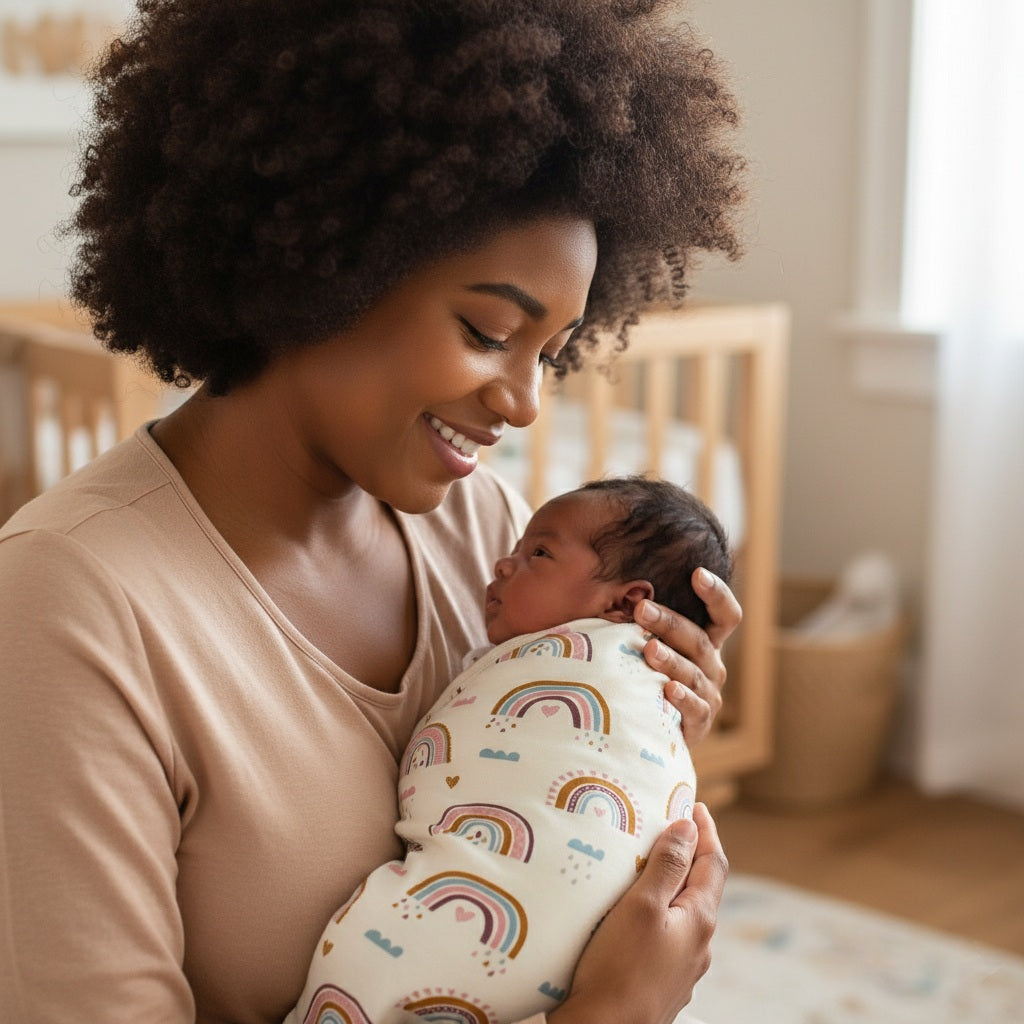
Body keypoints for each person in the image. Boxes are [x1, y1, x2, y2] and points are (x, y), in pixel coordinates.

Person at [0, 2, 745, 1022]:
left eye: (550, 352)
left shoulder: (480, 525)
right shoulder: (65, 600)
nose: (525, 403)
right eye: (489, 330)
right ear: (318, 263)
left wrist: (631, 717)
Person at [285, 476, 733, 1024]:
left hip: (572, 910)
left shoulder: (617, 661)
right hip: (559, 941)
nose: (501, 563)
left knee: (372, 970)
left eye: (537, 553)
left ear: (628, 603)